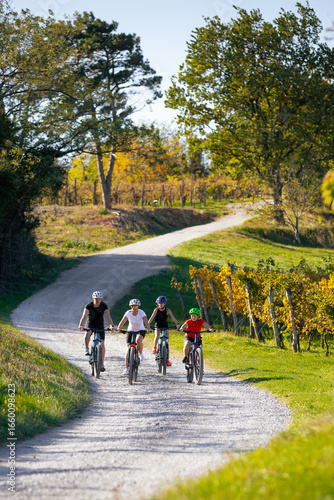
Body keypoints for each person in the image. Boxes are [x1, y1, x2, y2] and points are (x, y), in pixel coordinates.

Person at [78, 290, 114, 372]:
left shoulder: (104, 305)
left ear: (101, 299)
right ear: (93, 299)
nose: (98, 301)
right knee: (88, 332)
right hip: (90, 323)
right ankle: (87, 348)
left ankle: (101, 364)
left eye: (99, 299)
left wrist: (111, 325)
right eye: (96, 299)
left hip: (100, 325)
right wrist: (81, 325)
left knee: (102, 343)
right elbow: (84, 315)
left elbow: (108, 315)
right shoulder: (89, 305)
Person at [117, 298, 150, 375]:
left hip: (140, 330)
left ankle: (141, 354)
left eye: (136, 306)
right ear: (131, 306)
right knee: (127, 349)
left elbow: (146, 321)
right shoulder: (128, 313)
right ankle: (126, 368)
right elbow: (123, 320)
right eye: (133, 306)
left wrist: (148, 328)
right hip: (130, 331)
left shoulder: (141, 312)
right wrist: (119, 328)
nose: (135, 308)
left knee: (138, 340)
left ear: (138, 306)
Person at [148, 295, 180, 366]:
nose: (160, 304)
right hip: (158, 326)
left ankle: (167, 359)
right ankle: (154, 348)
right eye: (159, 303)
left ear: (165, 303)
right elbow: (151, 317)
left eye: (162, 303)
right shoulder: (156, 310)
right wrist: (148, 325)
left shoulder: (167, 310)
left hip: (165, 326)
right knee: (157, 336)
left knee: (167, 342)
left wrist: (177, 324)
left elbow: (173, 317)